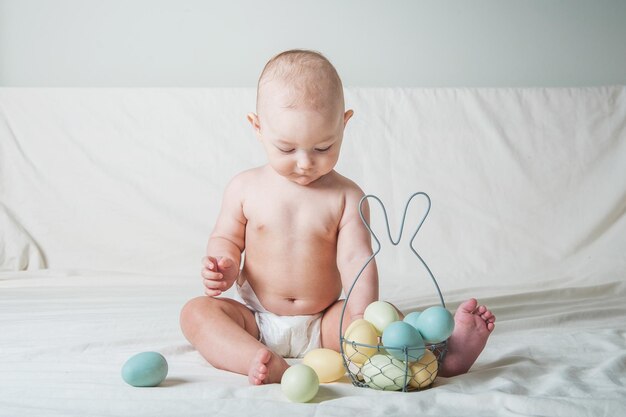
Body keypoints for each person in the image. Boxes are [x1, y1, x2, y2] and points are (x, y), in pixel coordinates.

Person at [180, 49, 496, 385]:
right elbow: (226, 238)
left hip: (325, 322)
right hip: (256, 321)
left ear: (343, 124)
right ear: (258, 127)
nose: (305, 162)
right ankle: (256, 360)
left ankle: (445, 357)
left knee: (387, 319)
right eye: (287, 149)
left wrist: (362, 317)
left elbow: (356, 259)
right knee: (196, 314)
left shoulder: (347, 196)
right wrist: (224, 264)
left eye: (323, 147)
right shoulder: (244, 187)